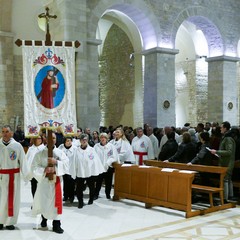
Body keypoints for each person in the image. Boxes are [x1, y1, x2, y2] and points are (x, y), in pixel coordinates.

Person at [31, 132, 69, 234]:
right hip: (45, 182)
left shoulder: (60, 152)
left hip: (57, 181)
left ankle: (57, 224)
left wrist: (56, 163)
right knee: (45, 201)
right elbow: (34, 167)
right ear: (45, 139)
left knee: (56, 203)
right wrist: (44, 170)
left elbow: (66, 165)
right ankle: (44, 218)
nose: (52, 140)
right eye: (50, 138)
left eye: (54, 138)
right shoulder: (40, 153)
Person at [0, 125, 30, 230]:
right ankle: (0, 221)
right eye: (3, 131)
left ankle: (9, 222)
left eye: (7, 131)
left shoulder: (17, 146)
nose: (5, 134)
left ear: (11, 133)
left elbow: (23, 161)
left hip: (13, 177)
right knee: (1, 199)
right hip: (1, 177)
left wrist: (27, 175)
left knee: (13, 199)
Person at [70, 134, 104, 208]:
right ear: (80, 141)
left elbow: (95, 161)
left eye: (85, 140)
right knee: (79, 188)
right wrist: (74, 172)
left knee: (91, 187)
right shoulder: (76, 150)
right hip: (80, 172)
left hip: (90, 172)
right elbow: (73, 162)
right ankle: (80, 202)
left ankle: (91, 199)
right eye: (82, 140)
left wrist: (95, 170)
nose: (84, 141)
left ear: (87, 140)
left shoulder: (91, 150)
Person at [209, 121, 236, 202]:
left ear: (225, 128)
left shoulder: (228, 138)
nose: (220, 128)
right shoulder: (226, 137)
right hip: (226, 162)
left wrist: (217, 152)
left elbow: (229, 152)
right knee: (228, 179)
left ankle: (225, 198)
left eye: (221, 127)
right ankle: (230, 196)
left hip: (227, 162)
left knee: (225, 180)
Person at [94, 133, 119, 199]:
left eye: (104, 137)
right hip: (99, 167)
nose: (103, 139)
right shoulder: (96, 146)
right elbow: (94, 156)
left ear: (107, 138)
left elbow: (114, 157)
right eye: (101, 137)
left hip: (108, 167)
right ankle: (96, 194)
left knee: (108, 182)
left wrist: (108, 163)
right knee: (98, 181)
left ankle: (108, 194)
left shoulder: (111, 146)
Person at [58, 137, 77, 203]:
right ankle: (65, 196)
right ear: (65, 142)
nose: (69, 142)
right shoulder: (61, 148)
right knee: (65, 183)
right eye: (67, 141)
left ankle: (71, 197)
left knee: (71, 184)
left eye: (70, 141)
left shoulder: (75, 149)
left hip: (71, 169)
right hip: (63, 169)